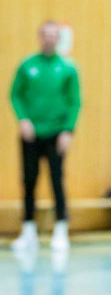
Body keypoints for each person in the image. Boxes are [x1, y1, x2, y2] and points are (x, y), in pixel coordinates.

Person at [10, 20, 80, 253]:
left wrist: (68, 130)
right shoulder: (27, 65)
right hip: (31, 134)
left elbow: (75, 101)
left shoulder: (68, 68)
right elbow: (15, 94)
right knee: (29, 180)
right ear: (40, 37)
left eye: (53, 35)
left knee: (56, 180)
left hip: (56, 134)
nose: (49, 38)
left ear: (58, 39)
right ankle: (28, 229)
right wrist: (23, 119)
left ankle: (61, 229)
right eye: (46, 34)